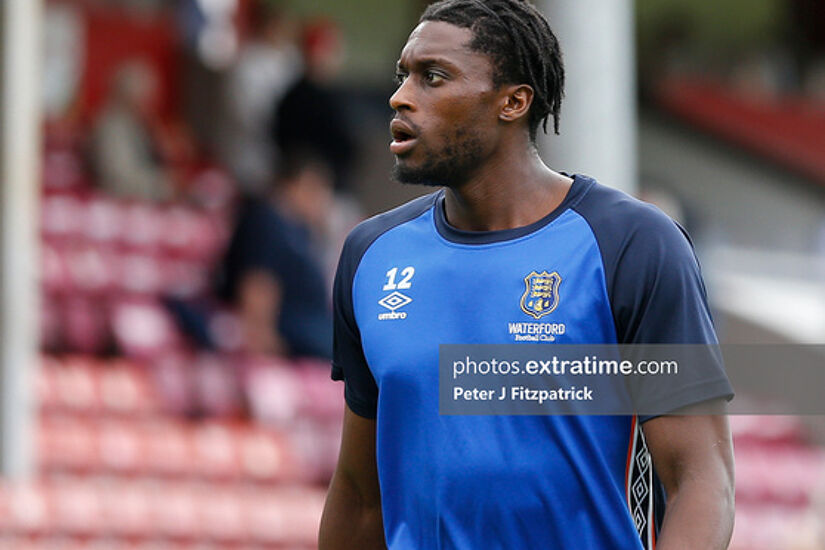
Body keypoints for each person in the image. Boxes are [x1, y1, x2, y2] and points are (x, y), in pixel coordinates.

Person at [320, 1, 735, 550]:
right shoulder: (371, 256)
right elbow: (359, 495)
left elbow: (702, 482)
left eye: (433, 77)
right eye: (404, 76)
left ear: (513, 102)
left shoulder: (631, 246)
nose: (400, 96)